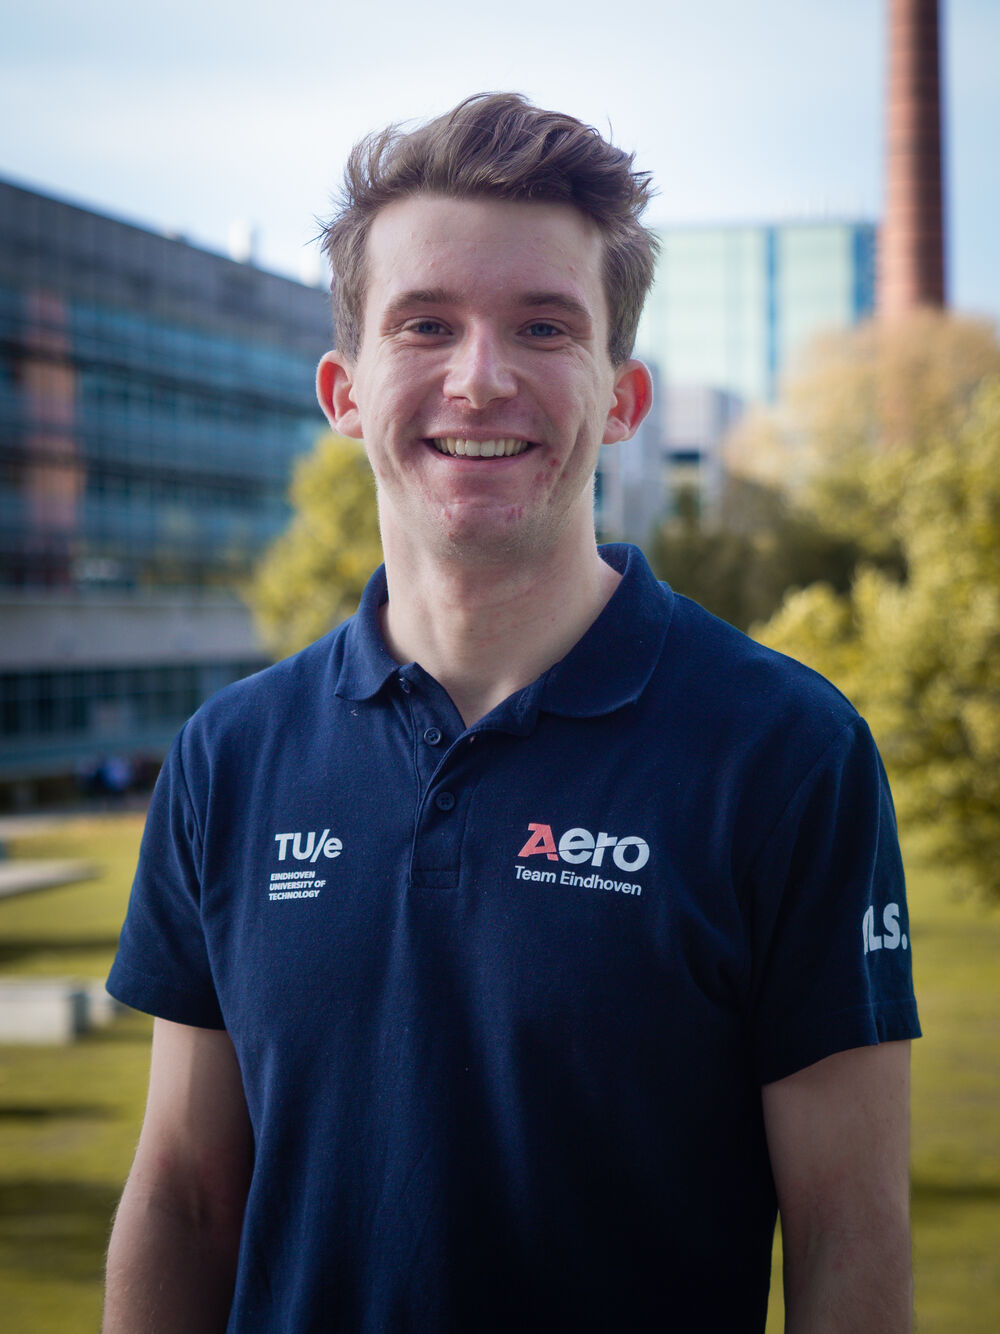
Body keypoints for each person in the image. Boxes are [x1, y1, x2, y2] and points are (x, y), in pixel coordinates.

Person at [103, 93, 920, 1333]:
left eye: (544, 326)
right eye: (425, 324)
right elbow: (185, 1197)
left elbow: (847, 1234)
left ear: (622, 396)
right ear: (343, 388)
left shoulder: (786, 752)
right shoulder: (232, 754)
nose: (479, 379)